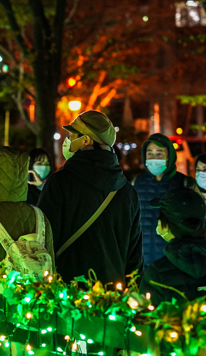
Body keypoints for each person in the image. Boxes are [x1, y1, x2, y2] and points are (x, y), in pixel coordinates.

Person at [38, 111, 143, 285]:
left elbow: (44, 241)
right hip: (111, 294)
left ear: (86, 140)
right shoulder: (127, 192)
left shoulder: (60, 183)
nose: (67, 140)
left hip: (66, 290)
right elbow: (134, 255)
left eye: (71, 136)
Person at [133, 133, 197, 266]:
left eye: (159, 154)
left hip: (174, 262)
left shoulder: (185, 183)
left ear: (169, 156)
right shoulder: (136, 183)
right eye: (150, 154)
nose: (153, 158)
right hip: (143, 263)